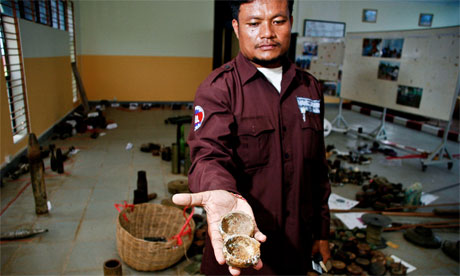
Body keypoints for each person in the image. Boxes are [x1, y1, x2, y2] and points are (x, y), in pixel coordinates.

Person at [172, 0, 331, 275]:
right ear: (236, 27)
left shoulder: (310, 87)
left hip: (297, 247)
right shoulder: (219, 89)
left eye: (278, 21)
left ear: (290, 22)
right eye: (254, 23)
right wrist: (221, 192)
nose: (267, 32)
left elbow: (317, 169)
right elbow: (208, 155)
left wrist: (322, 231)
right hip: (242, 250)